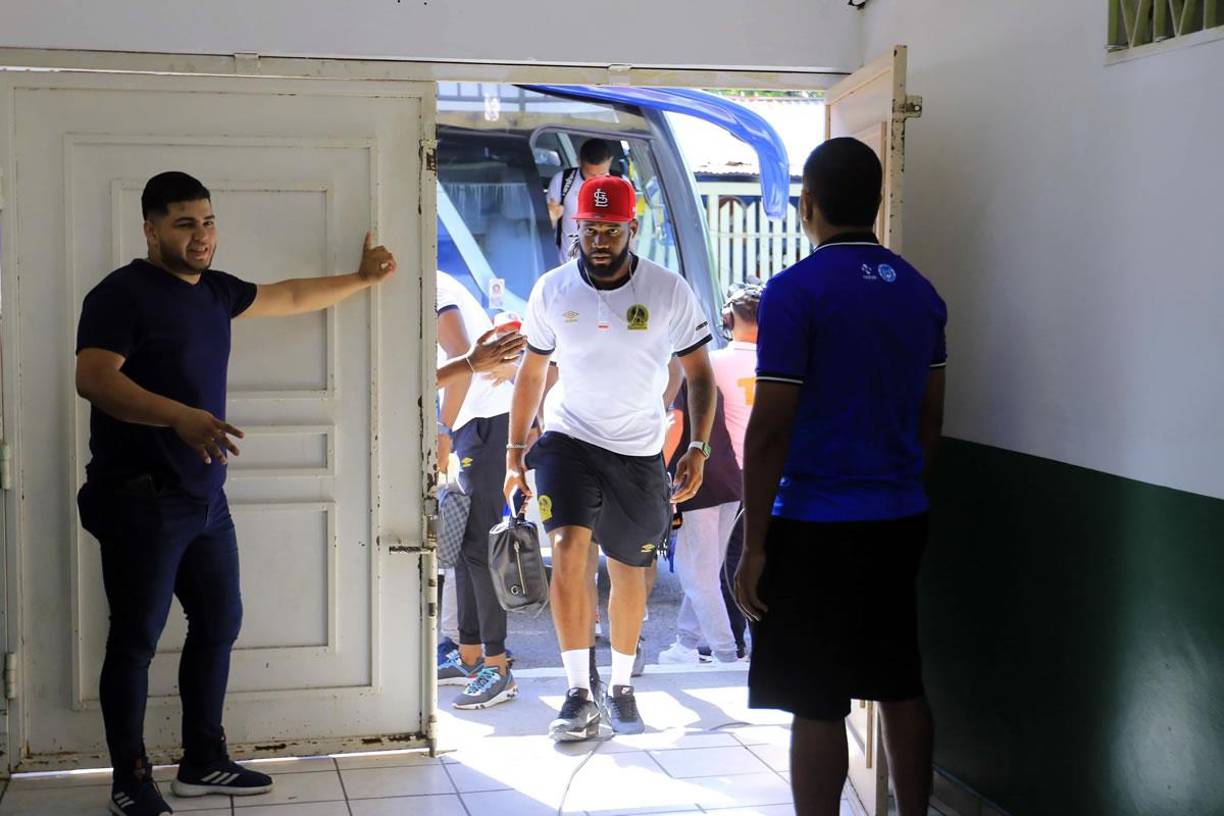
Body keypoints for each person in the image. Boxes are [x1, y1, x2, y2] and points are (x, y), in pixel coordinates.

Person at [74, 171, 400, 816]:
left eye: (208, 221)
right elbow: (94, 380)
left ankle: (202, 761)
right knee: (135, 640)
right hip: (139, 497)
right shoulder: (120, 294)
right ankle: (130, 778)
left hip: (203, 498)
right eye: (184, 224)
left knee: (219, 623)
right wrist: (177, 415)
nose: (200, 236)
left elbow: (290, 295)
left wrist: (362, 279)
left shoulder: (215, 292)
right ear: (150, 229)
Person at [735, 138, 947, 816]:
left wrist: (756, 543)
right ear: (878, 201)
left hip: (816, 525)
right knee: (899, 679)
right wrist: (901, 487)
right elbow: (930, 419)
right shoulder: (920, 294)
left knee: (816, 697)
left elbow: (769, 431)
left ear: (810, 204)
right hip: (899, 517)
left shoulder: (795, 293)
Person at [505, 175, 716, 740]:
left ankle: (620, 685)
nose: (599, 239)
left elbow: (699, 373)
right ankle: (577, 692)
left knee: (631, 573)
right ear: (577, 227)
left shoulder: (668, 291)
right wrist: (514, 450)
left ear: (632, 229)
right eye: (589, 228)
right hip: (568, 442)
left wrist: (696, 446)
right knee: (568, 549)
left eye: (611, 229)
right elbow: (531, 372)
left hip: (639, 451)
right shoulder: (552, 290)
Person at [433, 270, 525, 710]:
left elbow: (459, 356)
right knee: (469, 548)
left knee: (483, 547)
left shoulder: (433, 286)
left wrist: (442, 427)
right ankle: (470, 656)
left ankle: (498, 666)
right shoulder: (436, 283)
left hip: (486, 424)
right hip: (477, 425)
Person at [660, 283, 761, 665]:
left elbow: (674, 424)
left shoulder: (705, 366)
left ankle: (725, 651)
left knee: (698, 574)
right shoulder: (776, 362)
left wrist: (661, 475)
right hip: (741, 478)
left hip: (702, 478)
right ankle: (687, 642)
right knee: (709, 566)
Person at [547, 139, 614, 264]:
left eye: (603, 173)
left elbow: (630, 231)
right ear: (579, 162)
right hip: (568, 265)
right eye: (591, 175)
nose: (597, 179)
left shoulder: (622, 184)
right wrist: (551, 218)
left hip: (607, 267)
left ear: (610, 162)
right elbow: (546, 229)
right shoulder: (563, 181)